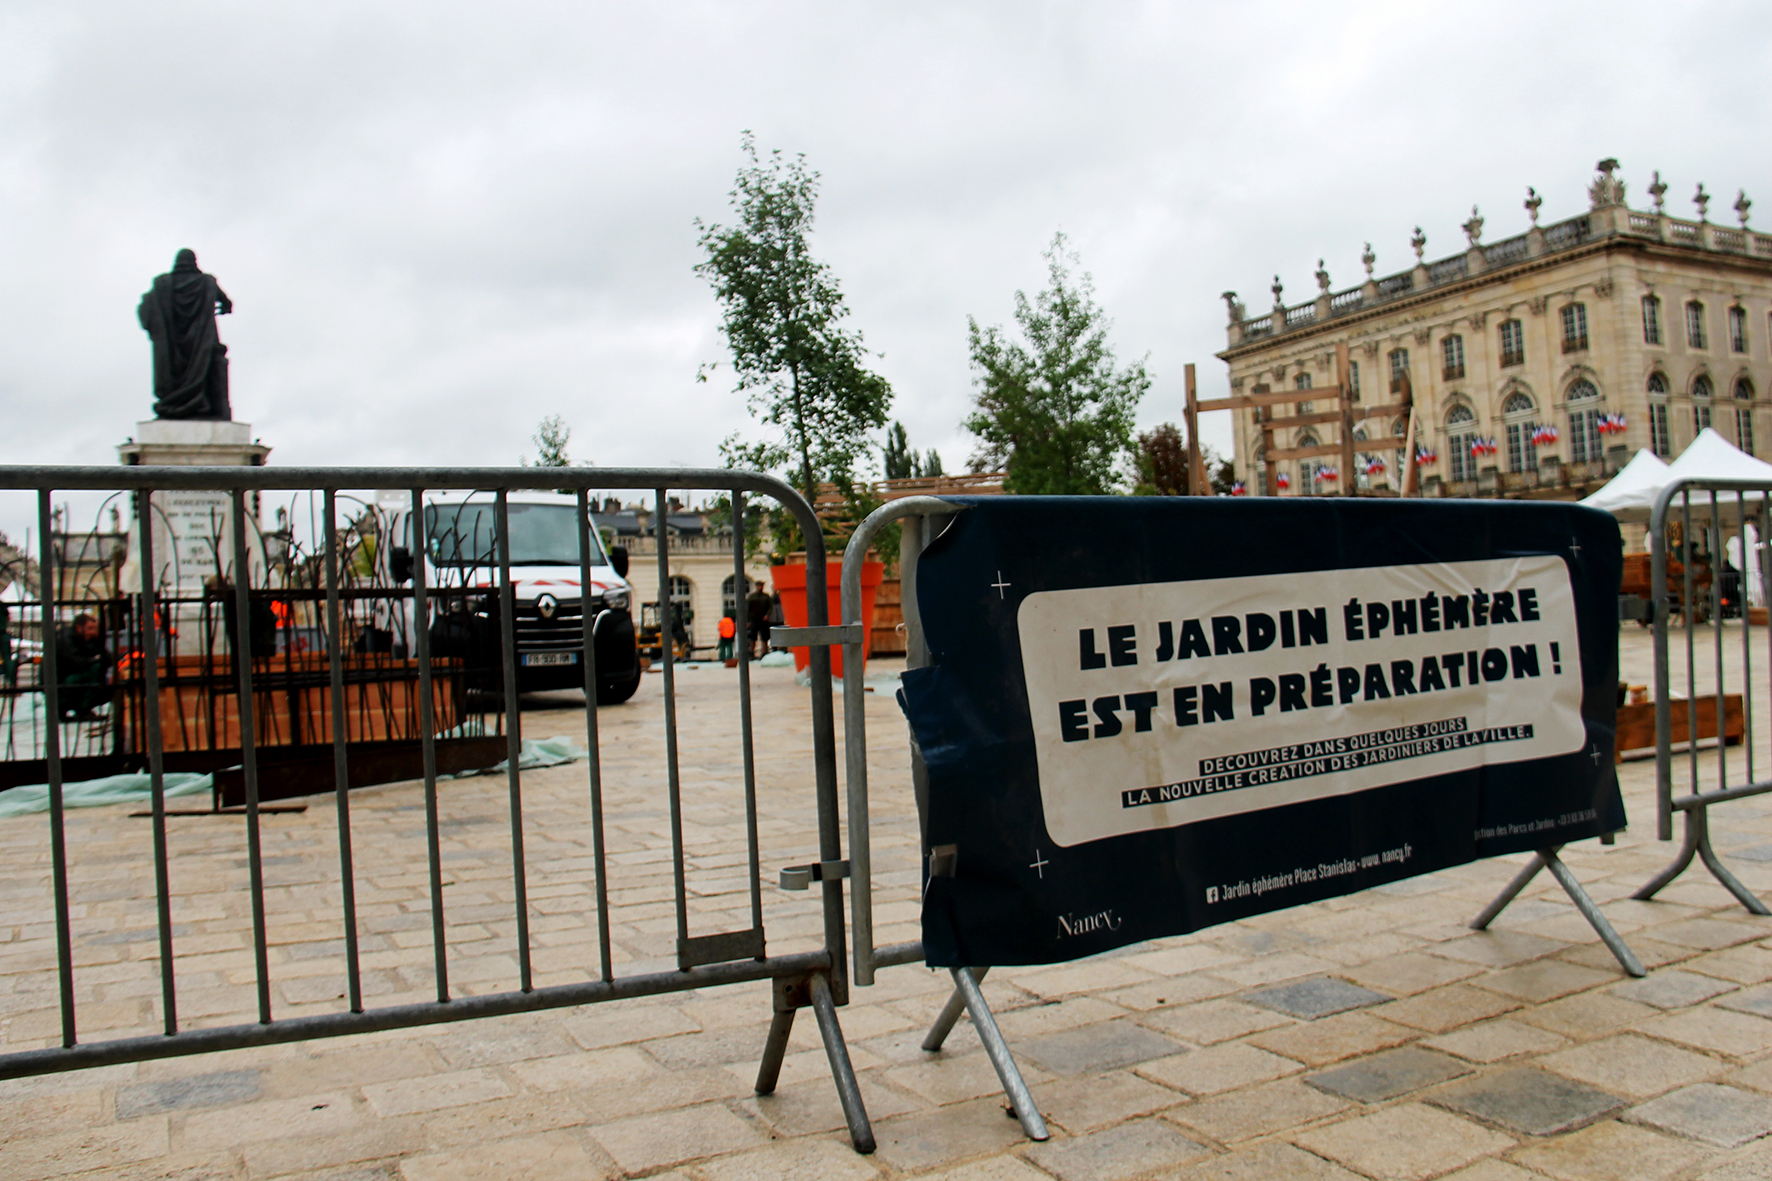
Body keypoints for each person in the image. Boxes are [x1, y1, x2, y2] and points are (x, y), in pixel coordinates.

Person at [137, 248, 233, 420]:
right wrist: (224, 307)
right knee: (205, 365)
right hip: (201, 342)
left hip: (171, 346)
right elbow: (226, 302)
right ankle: (202, 404)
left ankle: (175, 403)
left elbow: (145, 310)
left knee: (176, 369)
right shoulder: (207, 282)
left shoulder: (162, 283)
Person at [55, 613, 113, 721]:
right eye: (90, 628)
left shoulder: (83, 638)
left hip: (69, 680)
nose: (93, 632)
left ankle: (81, 708)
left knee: (109, 686)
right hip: (61, 682)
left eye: (95, 629)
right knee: (96, 668)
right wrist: (96, 659)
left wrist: (97, 642)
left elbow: (108, 658)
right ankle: (82, 709)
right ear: (78, 627)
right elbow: (76, 663)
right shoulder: (66, 638)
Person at [746, 579, 772, 657]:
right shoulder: (752, 597)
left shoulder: (766, 596)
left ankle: (764, 652)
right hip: (754, 619)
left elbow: (770, 607)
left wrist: (767, 615)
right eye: (759, 586)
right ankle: (751, 652)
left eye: (761, 586)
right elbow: (747, 609)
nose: (760, 587)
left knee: (764, 637)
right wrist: (748, 620)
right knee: (753, 637)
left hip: (764, 620)